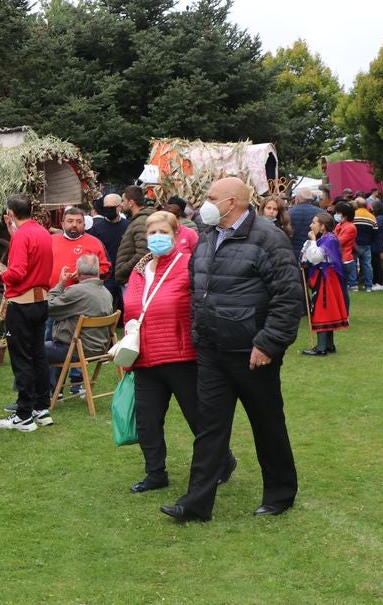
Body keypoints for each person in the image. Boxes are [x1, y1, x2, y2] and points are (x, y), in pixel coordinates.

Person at [159, 177, 302, 523]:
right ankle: (196, 503)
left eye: (211, 197)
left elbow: (289, 296)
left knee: (267, 424)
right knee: (209, 428)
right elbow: (199, 289)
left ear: (233, 202)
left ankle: (280, 494)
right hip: (212, 350)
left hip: (252, 352)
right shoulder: (207, 237)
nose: (204, 203)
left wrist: (268, 343)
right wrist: (198, 333)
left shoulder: (268, 238)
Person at [125, 212, 232, 494]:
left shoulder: (188, 265)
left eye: (163, 232)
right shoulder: (139, 269)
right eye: (151, 233)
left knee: (197, 416)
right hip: (144, 357)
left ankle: (222, 461)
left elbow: (204, 305)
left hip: (180, 356)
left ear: (176, 235)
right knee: (147, 420)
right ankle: (155, 472)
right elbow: (133, 307)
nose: (156, 237)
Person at [0, 194, 54, 433]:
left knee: (21, 358)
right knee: (38, 354)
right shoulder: (42, 233)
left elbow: (17, 272)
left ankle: (23, 414)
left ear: (11, 213)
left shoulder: (22, 236)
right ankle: (41, 408)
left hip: (22, 304)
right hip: (41, 301)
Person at [45, 253, 113, 397]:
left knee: (35, 349)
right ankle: (53, 390)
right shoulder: (107, 293)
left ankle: (36, 395)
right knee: (52, 346)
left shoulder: (76, 291)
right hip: (99, 349)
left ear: (79, 272)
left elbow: (49, 307)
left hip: (77, 350)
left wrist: (61, 284)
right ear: (97, 270)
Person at [299, 212, 350, 356]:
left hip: (326, 279)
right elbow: (309, 255)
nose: (311, 225)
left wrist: (313, 240)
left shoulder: (329, 239)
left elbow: (315, 257)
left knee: (322, 310)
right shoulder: (327, 238)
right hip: (325, 277)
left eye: (314, 222)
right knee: (325, 309)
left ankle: (321, 348)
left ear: (322, 226)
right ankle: (329, 345)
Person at [86, 192, 128, 312]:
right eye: (106, 207)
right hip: (106, 276)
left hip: (123, 274)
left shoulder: (127, 226)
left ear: (119, 207)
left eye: (111, 208)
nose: (108, 210)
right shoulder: (96, 228)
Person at [50, 206, 110, 283]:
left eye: (79, 222)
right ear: (63, 224)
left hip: (84, 293)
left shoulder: (95, 243)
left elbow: (106, 269)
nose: (74, 225)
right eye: (70, 221)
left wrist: (85, 275)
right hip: (54, 293)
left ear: (84, 225)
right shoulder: (50, 241)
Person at [115, 185, 152, 286]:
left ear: (131, 203)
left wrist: (122, 270)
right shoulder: (138, 219)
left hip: (133, 279)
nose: (121, 204)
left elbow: (143, 253)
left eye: (123, 200)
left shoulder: (141, 221)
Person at [287, 186, 322, 258]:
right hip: (315, 250)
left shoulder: (289, 213)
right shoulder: (320, 213)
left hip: (294, 251)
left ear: (297, 198)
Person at [351, 197, 378, 292]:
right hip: (367, 244)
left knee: (353, 264)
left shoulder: (352, 215)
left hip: (354, 244)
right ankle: (368, 286)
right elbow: (375, 232)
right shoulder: (372, 217)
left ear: (357, 204)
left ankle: (353, 285)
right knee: (367, 265)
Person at [332, 201, 358, 296]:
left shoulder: (350, 227)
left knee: (342, 290)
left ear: (345, 215)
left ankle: (345, 310)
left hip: (345, 260)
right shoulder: (339, 225)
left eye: (338, 213)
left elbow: (338, 242)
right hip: (338, 258)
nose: (336, 215)